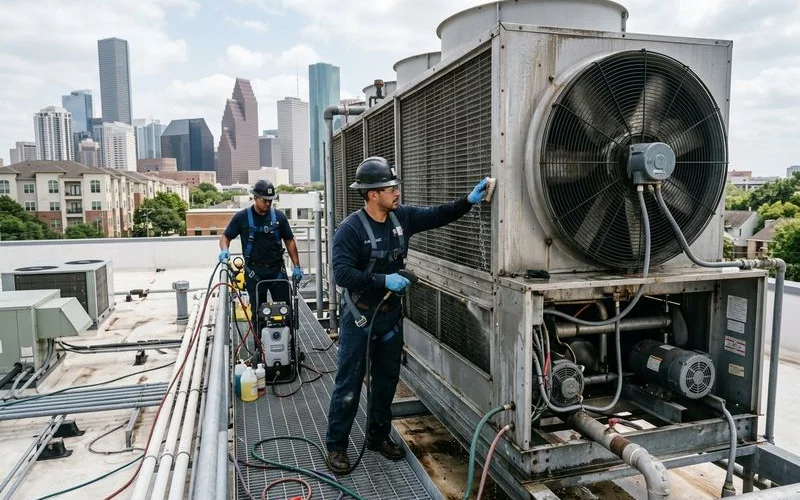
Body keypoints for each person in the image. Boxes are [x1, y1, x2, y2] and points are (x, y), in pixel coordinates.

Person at [325, 156, 492, 474]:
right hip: (359, 317)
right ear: (372, 194)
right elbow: (342, 274)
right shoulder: (350, 230)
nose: (396, 191)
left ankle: (377, 436)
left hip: (388, 317)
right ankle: (336, 446)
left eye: (395, 185)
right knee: (349, 383)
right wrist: (382, 279)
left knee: (387, 381)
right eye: (390, 187)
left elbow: (437, 215)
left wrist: (468, 201)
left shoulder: (402, 218)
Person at [218, 179, 303, 313]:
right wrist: (224, 250)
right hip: (254, 272)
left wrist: (297, 266)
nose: (268, 203)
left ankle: (287, 332)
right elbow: (226, 237)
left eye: (270, 200)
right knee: (259, 313)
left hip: (277, 271)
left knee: (285, 311)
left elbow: (289, 240)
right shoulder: (242, 218)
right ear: (255, 198)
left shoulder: (279, 218)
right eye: (264, 200)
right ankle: (259, 333)